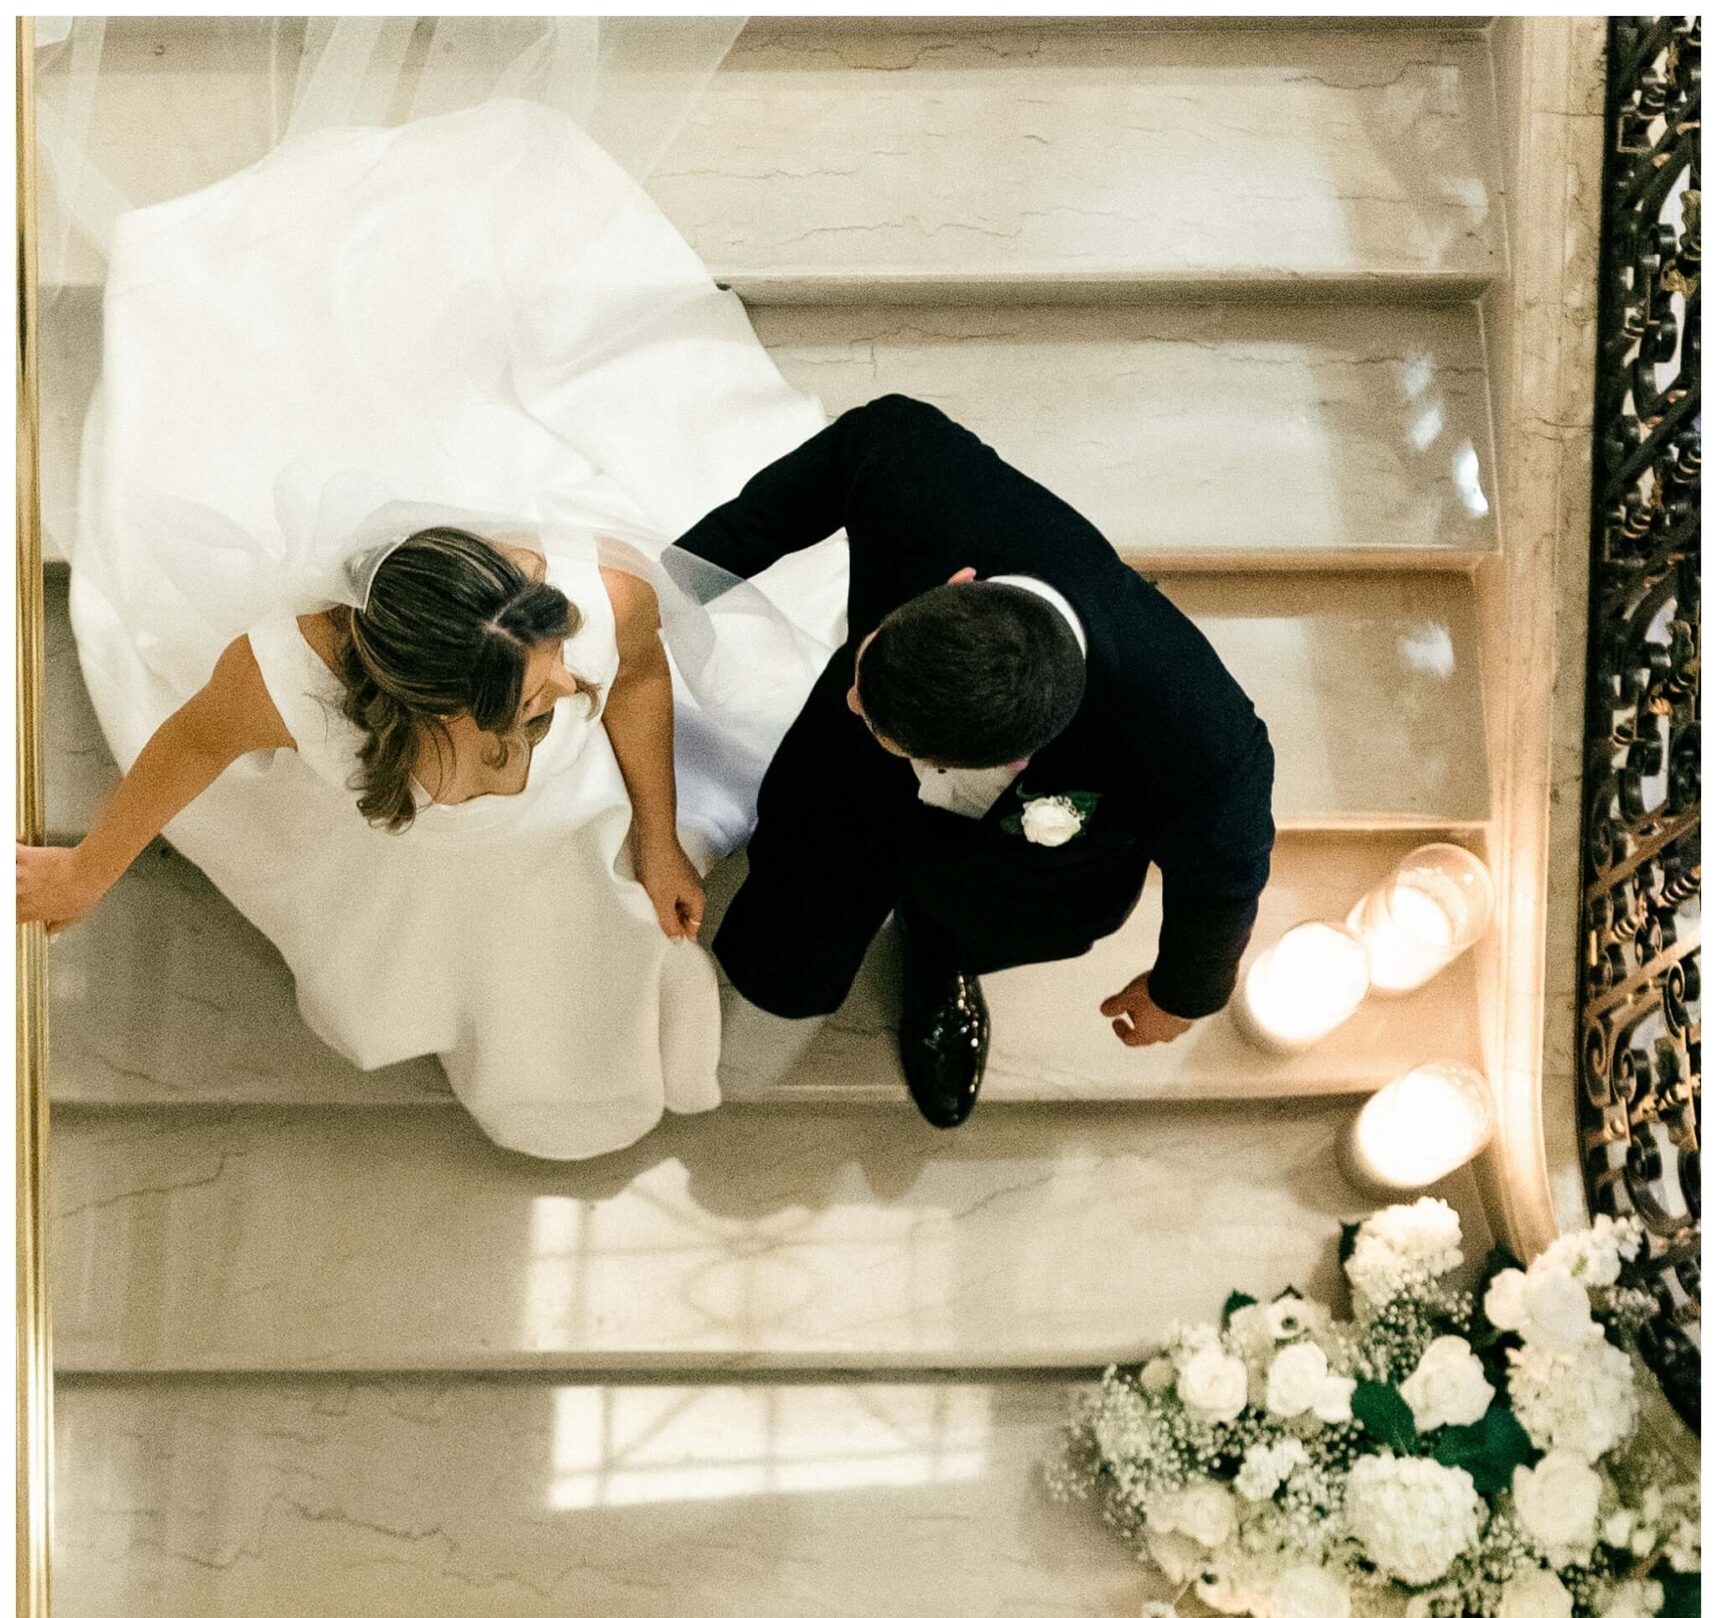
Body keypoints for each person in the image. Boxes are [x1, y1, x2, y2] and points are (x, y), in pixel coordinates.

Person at [17, 97, 845, 1160]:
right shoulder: (284, 676)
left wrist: (652, 832)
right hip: (408, 845)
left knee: (586, 913)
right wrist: (87, 871)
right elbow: (189, 746)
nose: (561, 704)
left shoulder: (595, 600)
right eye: (532, 710)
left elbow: (634, 681)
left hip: (568, 830)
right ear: (420, 698)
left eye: (551, 692)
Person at [677, 394, 1278, 1128]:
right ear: (955, 587)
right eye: (866, 679)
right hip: (843, 798)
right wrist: (665, 595)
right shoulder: (916, 473)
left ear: (1020, 753)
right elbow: (810, 480)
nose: (852, 706)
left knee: (975, 926)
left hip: (1025, 873)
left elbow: (1224, 874)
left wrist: (1181, 992)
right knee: (784, 947)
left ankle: (938, 963)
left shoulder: (1201, 743)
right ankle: (779, 972)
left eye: (882, 724)